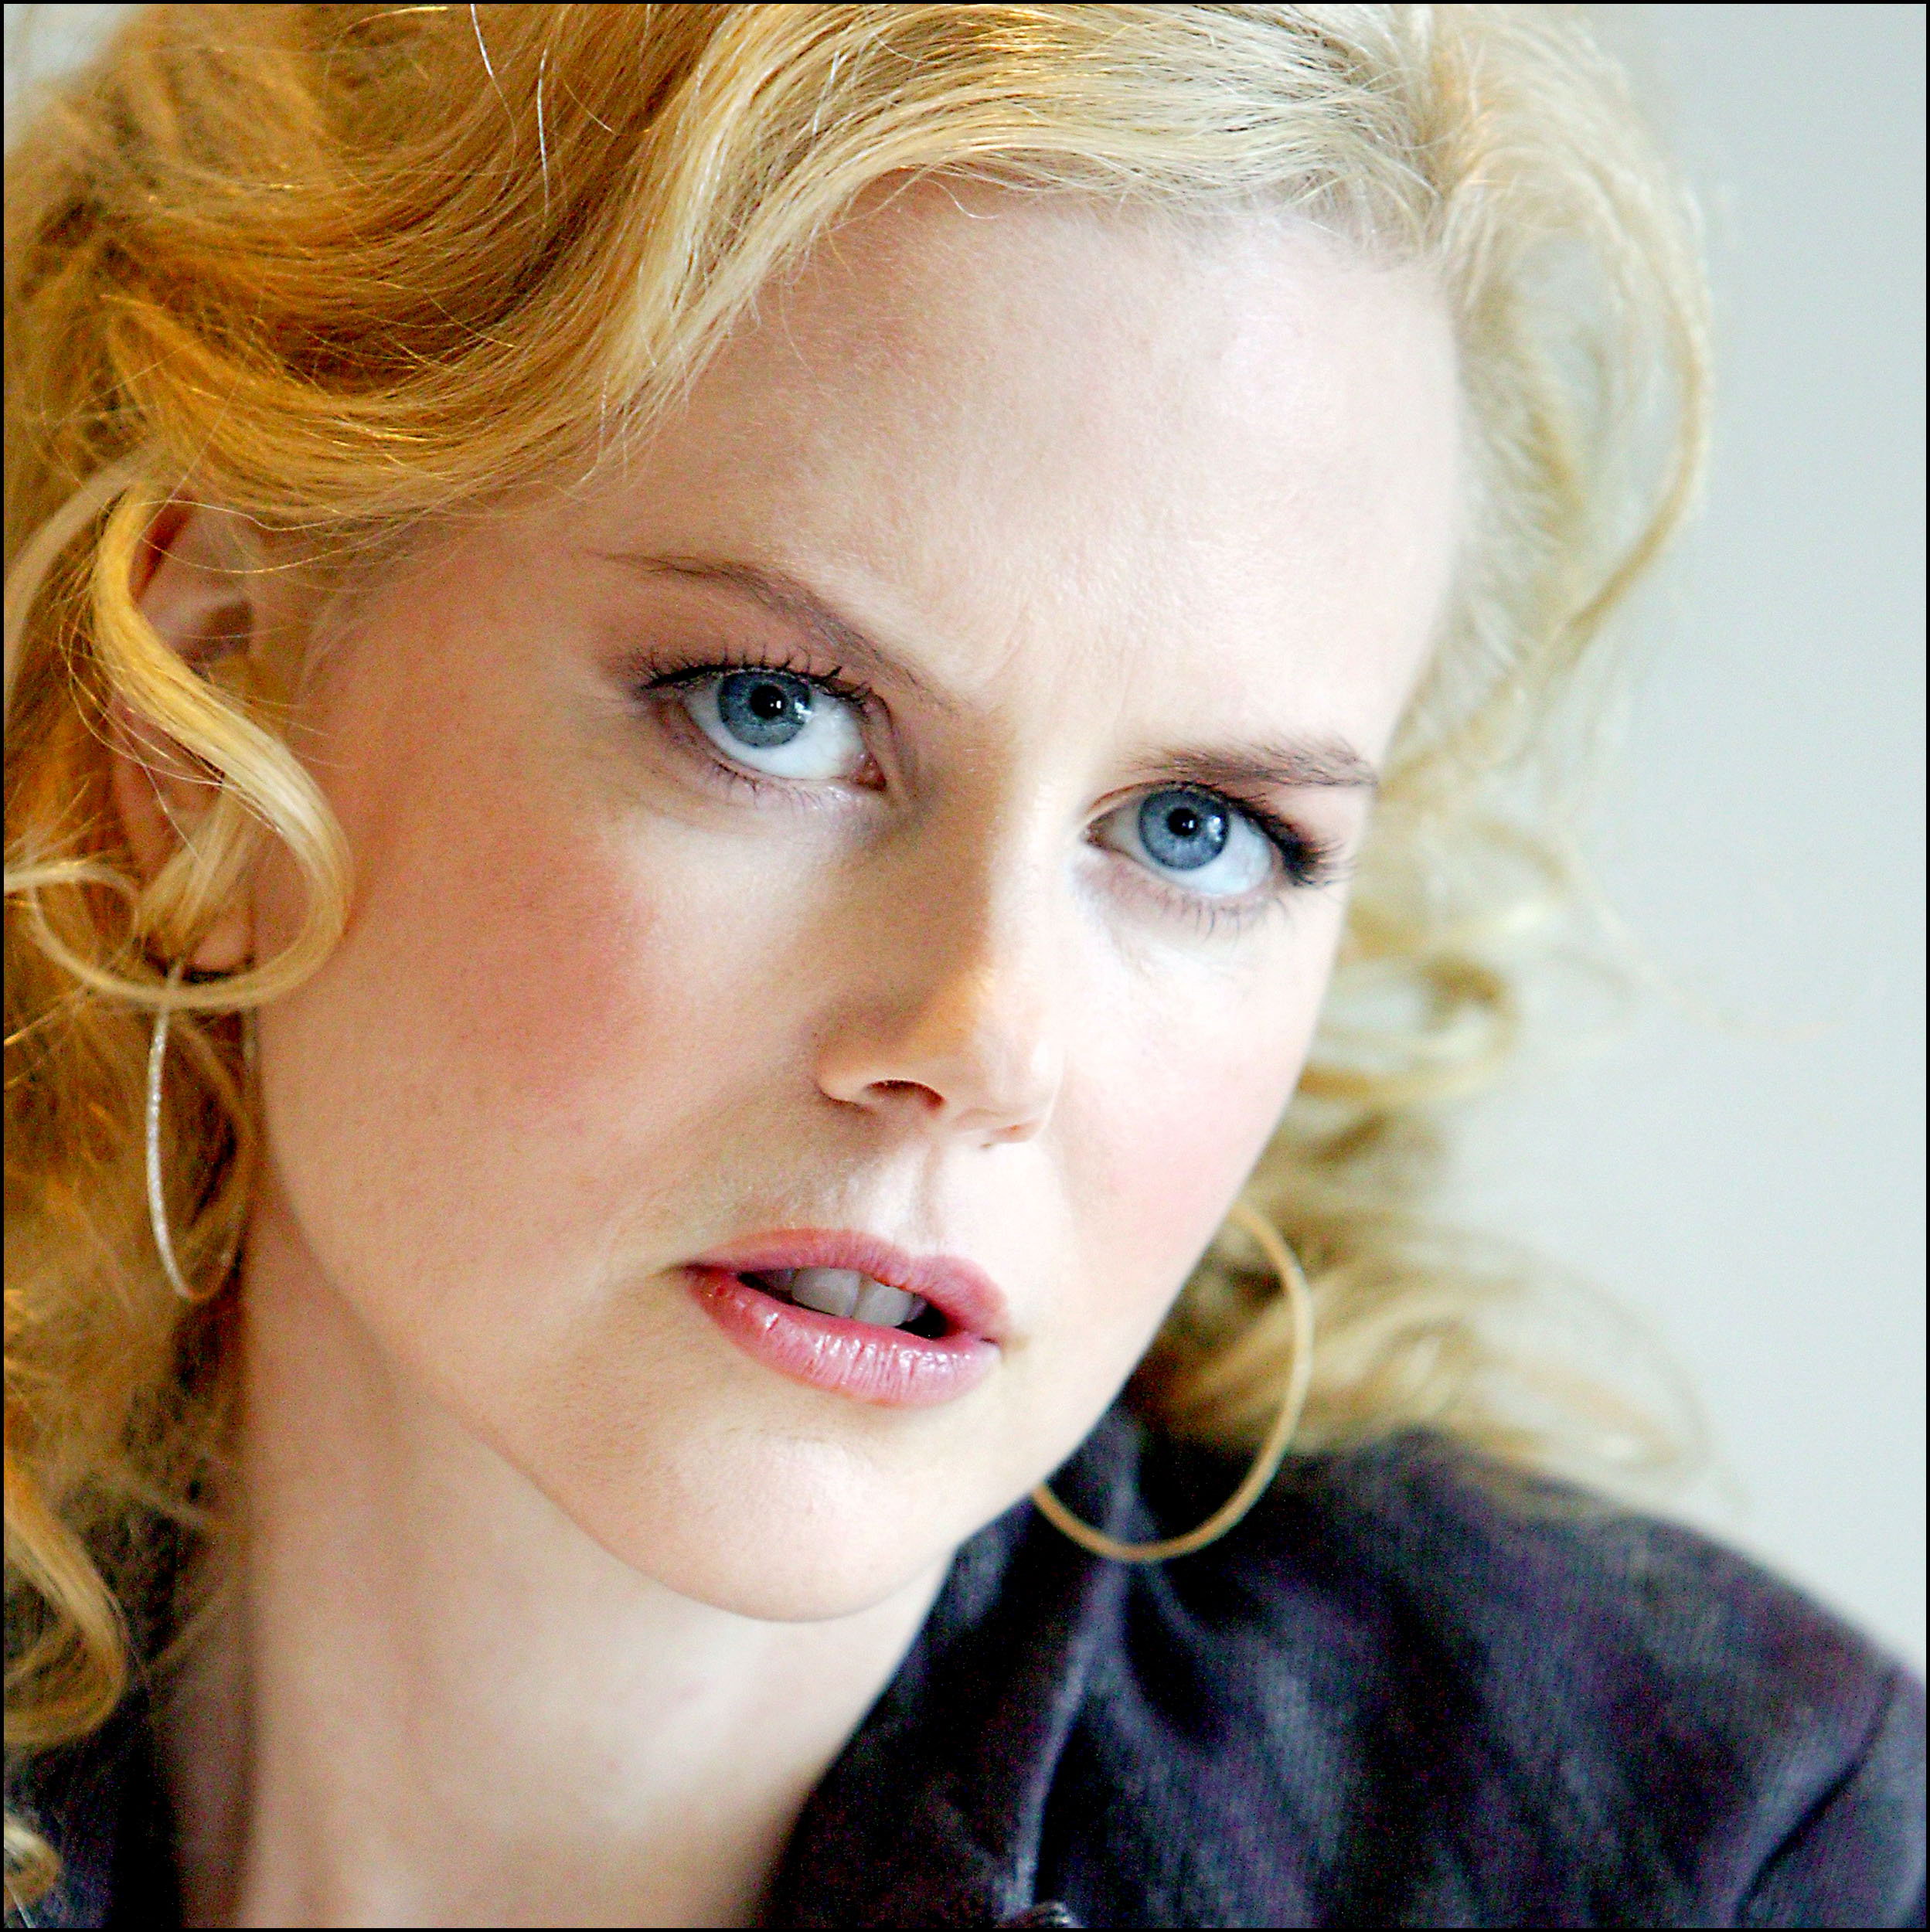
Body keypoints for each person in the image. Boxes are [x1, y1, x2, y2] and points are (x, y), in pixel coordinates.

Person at [5, 5, 1922, 1926]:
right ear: (211, 720)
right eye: (773, 710)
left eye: (1200, 829)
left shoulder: (1712, 1855)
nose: (985, 1037)